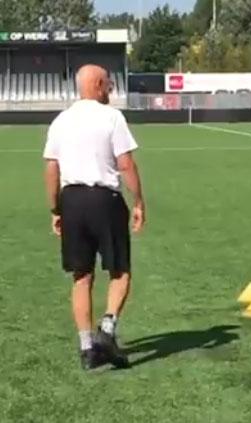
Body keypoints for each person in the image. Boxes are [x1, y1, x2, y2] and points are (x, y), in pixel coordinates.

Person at [43, 65, 145, 371]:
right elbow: (125, 164)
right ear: (98, 85)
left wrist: (56, 209)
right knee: (120, 270)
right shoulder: (111, 117)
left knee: (81, 276)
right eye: (109, 84)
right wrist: (139, 200)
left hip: (71, 201)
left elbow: (51, 168)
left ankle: (87, 348)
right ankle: (108, 330)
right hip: (105, 200)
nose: (111, 89)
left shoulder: (60, 121)